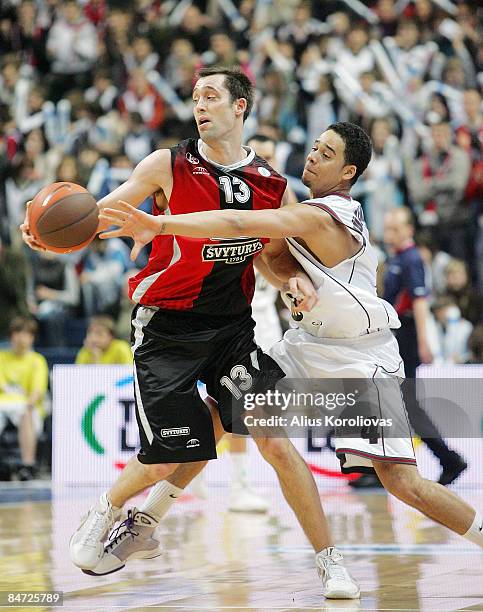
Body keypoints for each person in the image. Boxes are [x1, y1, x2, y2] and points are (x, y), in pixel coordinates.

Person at [21, 67, 360, 599]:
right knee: (176, 452)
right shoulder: (168, 164)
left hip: (232, 329)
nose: (199, 105)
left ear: (240, 106)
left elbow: (270, 260)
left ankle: (330, 561)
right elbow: (108, 210)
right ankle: (110, 508)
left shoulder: (273, 186)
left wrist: (291, 281)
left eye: (210, 96)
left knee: (274, 441)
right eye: (195, 97)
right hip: (166, 325)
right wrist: (53, 228)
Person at [96, 122, 483, 586]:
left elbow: (240, 224)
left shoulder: (329, 213)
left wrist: (159, 224)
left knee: (403, 483)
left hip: (363, 358)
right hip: (306, 345)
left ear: (348, 171)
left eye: (327, 153)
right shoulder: (299, 206)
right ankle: (146, 522)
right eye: (315, 146)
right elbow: (268, 254)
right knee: (222, 410)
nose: (314, 156)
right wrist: (290, 280)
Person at [383, 208, 467, 486]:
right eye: (387, 229)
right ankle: (447, 459)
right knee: (399, 403)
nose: (389, 234)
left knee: (406, 403)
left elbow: (419, 302)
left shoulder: (411, 259)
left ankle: (449, 459)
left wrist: (423, 341)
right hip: (397, 336)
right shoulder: (397, 259)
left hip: (406, 337)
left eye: (395, 229)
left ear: (408, 230)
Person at [0, 317, 48, 480]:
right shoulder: (1, 357)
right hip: (3, 405)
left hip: (26, 407)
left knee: (25, 413)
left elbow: (37, 391)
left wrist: (29, 404)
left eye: (26, 334)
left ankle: (27, 467)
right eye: (17, 334)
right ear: (11, 336)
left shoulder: (37, 361)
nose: (21, 339)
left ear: (32, 338)